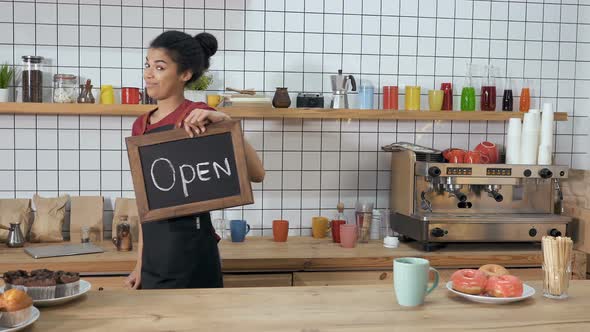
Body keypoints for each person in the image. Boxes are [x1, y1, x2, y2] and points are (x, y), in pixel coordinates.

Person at [125, 31, 265, 289]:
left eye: (159, 67)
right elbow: (147, 204)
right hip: (155, 256)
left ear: (185, 74)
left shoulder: (200, 116)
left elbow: (257, 174)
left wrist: (227, 122)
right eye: (147, 65)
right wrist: (139, 263)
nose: (148, 74)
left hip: (193, 251)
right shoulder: (140, 126)